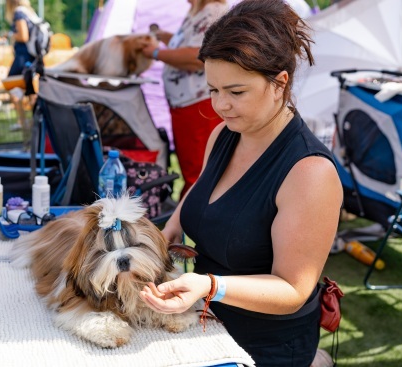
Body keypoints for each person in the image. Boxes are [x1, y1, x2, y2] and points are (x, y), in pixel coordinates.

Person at [139, 1, 343, 366]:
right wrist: (170, 228)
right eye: (213, 89)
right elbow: (202, 193)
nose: (219, 105)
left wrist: (211, 286)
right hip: (205, 323)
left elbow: (293, 289)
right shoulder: (224, 134)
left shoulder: (310, 173)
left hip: (265, 345)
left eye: (236, 92)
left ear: (279, 83)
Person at [142, 0, 227, 199]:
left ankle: (192, 220)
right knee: (190, 167)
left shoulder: (213, 12)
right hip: (185, 104)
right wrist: (164, 37)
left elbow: (197, 56)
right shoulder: (197, 12)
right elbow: (188, 43)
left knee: (197, 171)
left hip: (197, 105)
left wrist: (155, 53)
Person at [5, 0, 40, 77]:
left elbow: (23, 37)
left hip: (23, 55)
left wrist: (10, 35)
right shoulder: (28, 11)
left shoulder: (19, 12)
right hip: (33, 54)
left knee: (12, 81)